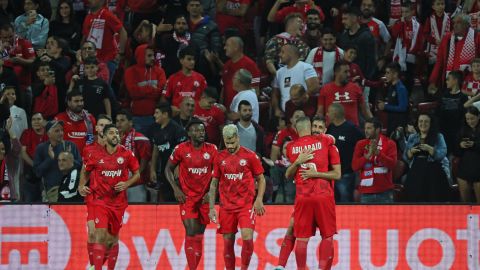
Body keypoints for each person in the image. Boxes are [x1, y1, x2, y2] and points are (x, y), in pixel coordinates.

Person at [78, 124, 140, 270]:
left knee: (112, 240)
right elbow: (86, 171)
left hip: (118, 202)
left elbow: (137, 174)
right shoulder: (95, 154)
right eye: (111, 133)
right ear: (104, 138)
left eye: (117, 133)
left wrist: (126, 183)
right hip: (99, 200)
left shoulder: (126, 154)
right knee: (99, 235)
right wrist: (81, 186)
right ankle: (96, 267)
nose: (115, 136)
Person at [284, 116, 341, 270]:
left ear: (296, 130)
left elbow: (288, 174)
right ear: (309, 128)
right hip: (323, 195)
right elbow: (332, 139)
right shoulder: (325, 142)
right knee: (327, 236)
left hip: (302, 197)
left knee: (301, 238)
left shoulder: (290, 147)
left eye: (319, 127)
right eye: (314, 127)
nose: (316, 130)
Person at [208, 124, 266, 270]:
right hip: (226, 207)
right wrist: (211, 208)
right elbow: (214, 184)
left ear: (238, 138)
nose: (230, 146)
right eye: (227, 143)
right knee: (228, 243)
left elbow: (261, 179)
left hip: (245, 206)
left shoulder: (250, 156)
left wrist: (259, 199)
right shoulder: (219, 157)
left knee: (247, 238)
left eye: (232, 142)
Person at [164, 118, 217, 269]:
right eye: (196, 130)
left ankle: (193, 267)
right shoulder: (181, 149)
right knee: (191, 231)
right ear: (189, 133)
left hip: (205, 198)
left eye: (202, 130)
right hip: (187, 197)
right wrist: (176, 189)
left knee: (199, 236)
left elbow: (219, 173)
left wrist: (212, 193)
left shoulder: (212, 149)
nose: (200, 132)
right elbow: (168, 168)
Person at [404, 113, 451, 202]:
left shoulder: (438, 136)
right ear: (417, 123)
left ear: (430, 123)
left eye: (426, 122)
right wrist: (411, 152)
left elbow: (443, 153)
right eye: (420, 121)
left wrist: (431, 149)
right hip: (416, 171)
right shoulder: (412, 137)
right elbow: (406, 157)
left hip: (433, 172)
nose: (423, 124)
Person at [429, 13, 480, 93]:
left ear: (467, 25)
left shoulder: (476, 37)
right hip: (450, 82)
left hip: (470, 83)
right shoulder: (447, 38)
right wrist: (433, 81)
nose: (455, 25)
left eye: (458, 22)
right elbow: (439, 62)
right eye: (454, 23)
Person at [33, 120, 81, 202]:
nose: (61, 133)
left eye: (62, 130)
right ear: (49, 134)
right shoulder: (41, 148)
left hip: (73, 189)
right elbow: (37, 173)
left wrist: (69, 158)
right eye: (57, 131)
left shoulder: (71, 146)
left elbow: (80, 167)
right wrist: (50, 159)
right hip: (53, 191)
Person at [352, 118, 397, 203]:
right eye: (365, 128)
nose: (366, 131)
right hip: (366, 193)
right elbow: (354, 166)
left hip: (385, 192)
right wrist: (366, 157)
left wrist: (378, 154)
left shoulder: (390, 143)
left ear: (377, 130)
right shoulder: (360, 144)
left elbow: (393, 164)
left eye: (369, 128)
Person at [82, 0, 127, 84]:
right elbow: (85, 36)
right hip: (93, 60)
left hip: (108, 59)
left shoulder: (107, 15)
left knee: (103, 90)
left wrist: (121, 53)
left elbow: (123, 32)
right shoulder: (88, 16)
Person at [150, 102, 188, 202]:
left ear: (165, 114)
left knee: (178, 195)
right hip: (164, 168)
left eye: (157, 113)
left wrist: (179, 166)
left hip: (176, 168)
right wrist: (152, 169)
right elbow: (155, 150)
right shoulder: (155, 129)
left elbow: (184, 149)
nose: (154, 115)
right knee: (166, 195)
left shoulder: (177, 129)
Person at [124, 44, 166, 135]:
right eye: (149, 55)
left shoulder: (159, 71)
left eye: (153, 55)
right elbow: (133, 93)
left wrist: (142, 90)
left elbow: (161, 91)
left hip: (155, 118)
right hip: (137, 117)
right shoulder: (130, 71)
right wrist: (152, 89)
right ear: (140, 55)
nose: (153, 58)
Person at [326, 103, 363, 202]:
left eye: (329, 112)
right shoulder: (330, 127)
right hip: (332, 174)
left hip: (346, 174)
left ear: (335, 114)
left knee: (346, 202)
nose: (327, 114)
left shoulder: (352, 129)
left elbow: (363, 144)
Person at [318, 61, 373, 126]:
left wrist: (374, 123)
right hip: (332, 130)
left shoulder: (356, 88)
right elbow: (320, 112)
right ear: (336, 73)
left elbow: (365, 111)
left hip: (352, 131)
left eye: (349, 71)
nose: (349, 74)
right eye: (345, 72)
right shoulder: (325, 89)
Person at [272, 44, 319, 118]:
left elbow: (314, 88)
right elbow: (275, 94)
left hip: (304, 113)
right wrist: (276, 109)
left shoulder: (306, 67)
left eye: (282, 52)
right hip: (287, 115)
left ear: (291, 53)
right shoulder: (279, 72)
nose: (279, 54)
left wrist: (297, 100)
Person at [116, 109, 152, 203]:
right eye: (117, 121)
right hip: (117, 186)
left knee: (137, 215)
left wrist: (130, 181)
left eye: (122, 120)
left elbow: (143, 165)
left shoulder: (141, 139)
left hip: (136, 186)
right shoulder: (113, 140)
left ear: (131, 123)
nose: (119, 123)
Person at [163, 45, 206, 112]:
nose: (192, 62)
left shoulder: (201, 78)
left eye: (193, 59)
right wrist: (170, 109)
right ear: (181, 61)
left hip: (195, 115)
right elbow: (164, 98)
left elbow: (204, 98)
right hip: (177, 115)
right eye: (189, 59)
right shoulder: (172, 78)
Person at [221, 36, 261, 108]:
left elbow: (255, 90)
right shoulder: (226, 66)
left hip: (242, 113)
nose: (224, 48)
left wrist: (245, 112)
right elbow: (224, 89)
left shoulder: (250, 65)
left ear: (236, 47)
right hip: (228, 113)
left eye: (227, 45)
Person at [337, 7, 376, 80]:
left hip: (363, 81)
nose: (342, 21)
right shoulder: (343, 37)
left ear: (354, 19)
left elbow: (371, 62)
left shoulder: (366, 37)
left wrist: (365, 80)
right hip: (347, 81)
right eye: (342, 19)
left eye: (345, 19)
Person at [55, 89, 96, 153]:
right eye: (76, 101)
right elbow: (55, 140)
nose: (80, 103)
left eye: (81, 101)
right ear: (69, 102)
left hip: (86, 158)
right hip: (67, 159)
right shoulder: (60, 118)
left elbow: (93, 139)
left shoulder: (90, 119)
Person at [437, 70, 468, 154]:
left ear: (455, 80)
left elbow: (463, 116)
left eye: (448, 79)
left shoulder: (463, 97)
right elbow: (438, 112)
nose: (446, 81)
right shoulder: (443, 95)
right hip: (442, 131)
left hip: (455, 133)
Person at [20, 112, 47, 202]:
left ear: (44, 121)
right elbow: (23, 153)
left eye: (39, 119)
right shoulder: (26, 133)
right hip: (30, 174)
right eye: (33, 120)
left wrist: (42, 167)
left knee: (46, 204)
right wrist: (35, 165)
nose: (36, 122)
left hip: (46, 174)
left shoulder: (49, 133)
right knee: (29, 203)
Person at [455, 106, 480, 202]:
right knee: (465, 205)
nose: (470, 121)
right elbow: (456, 151)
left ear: (478, 116)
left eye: (472, 118)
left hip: (478, 168)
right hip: (465, 168)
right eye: (467, 119)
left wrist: (474, 145)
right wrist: (460, 145)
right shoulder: (462, 130)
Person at [377, 62, 409, 136]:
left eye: (388, 73)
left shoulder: (401, 88)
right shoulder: (391, 87)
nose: (385, 75)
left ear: (395, 74)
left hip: (399, 124)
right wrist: (384, 105)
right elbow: (393, 104)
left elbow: (403, 108)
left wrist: (386, 106)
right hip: (391, 122)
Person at [0, 118, 21, 201]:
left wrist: (9, 130)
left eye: (2, 149)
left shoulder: (9, 160)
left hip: (10, 200)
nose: (1, 152)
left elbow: (17, 148)